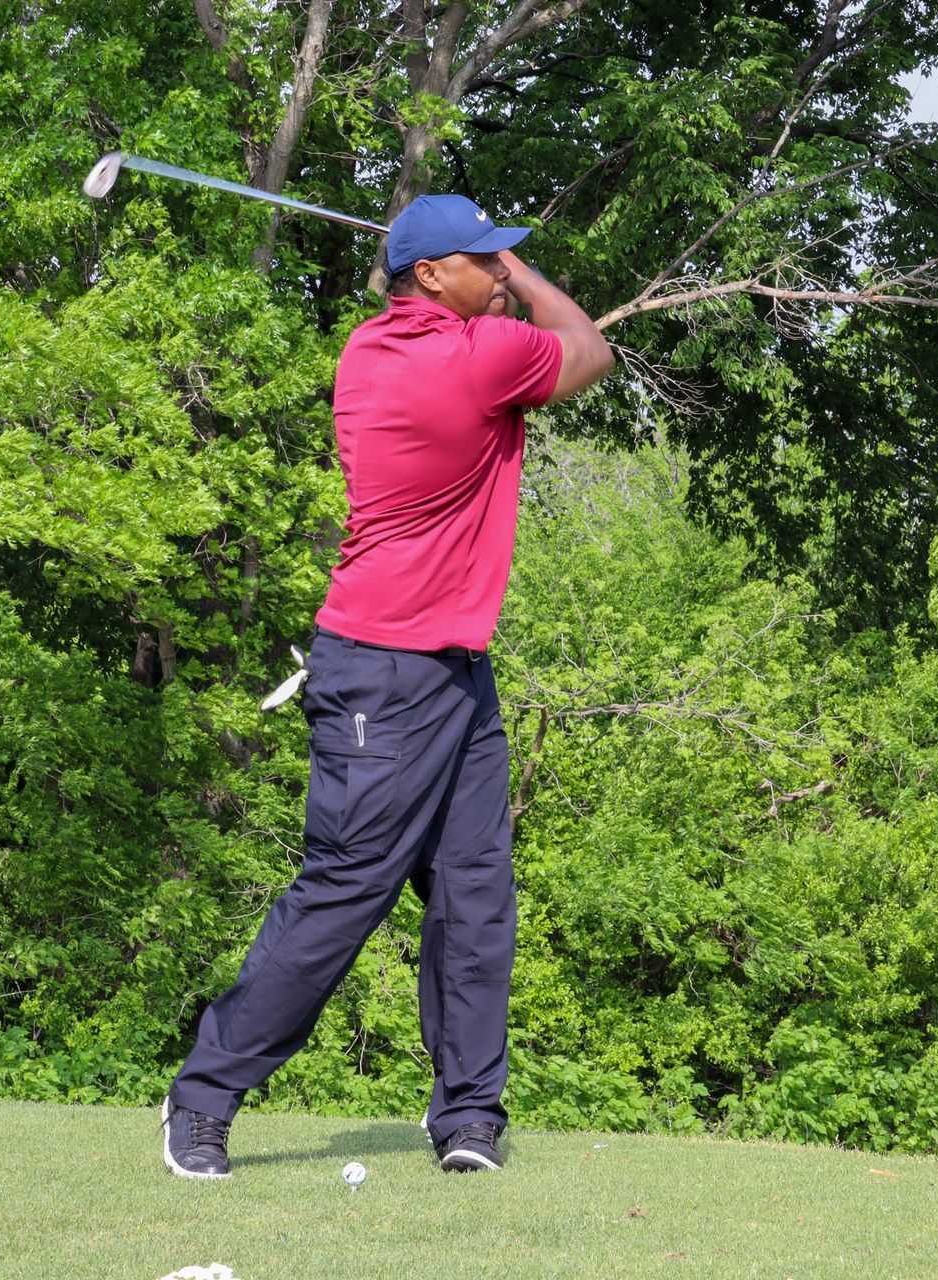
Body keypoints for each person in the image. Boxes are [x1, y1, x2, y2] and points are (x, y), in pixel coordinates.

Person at [161, 193, 614, 1178]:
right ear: (428, 276)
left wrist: (484, 257)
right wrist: (528, 276)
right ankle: (202, 1097)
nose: (499, 270)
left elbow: (482, 319)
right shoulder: (482, 355)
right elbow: (588, 346)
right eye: (480, 259)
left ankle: (467, 1114)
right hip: (384, 670)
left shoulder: (369, 349)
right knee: (343, 893)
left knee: (473, 897)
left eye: (504, 258)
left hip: (455, 670)